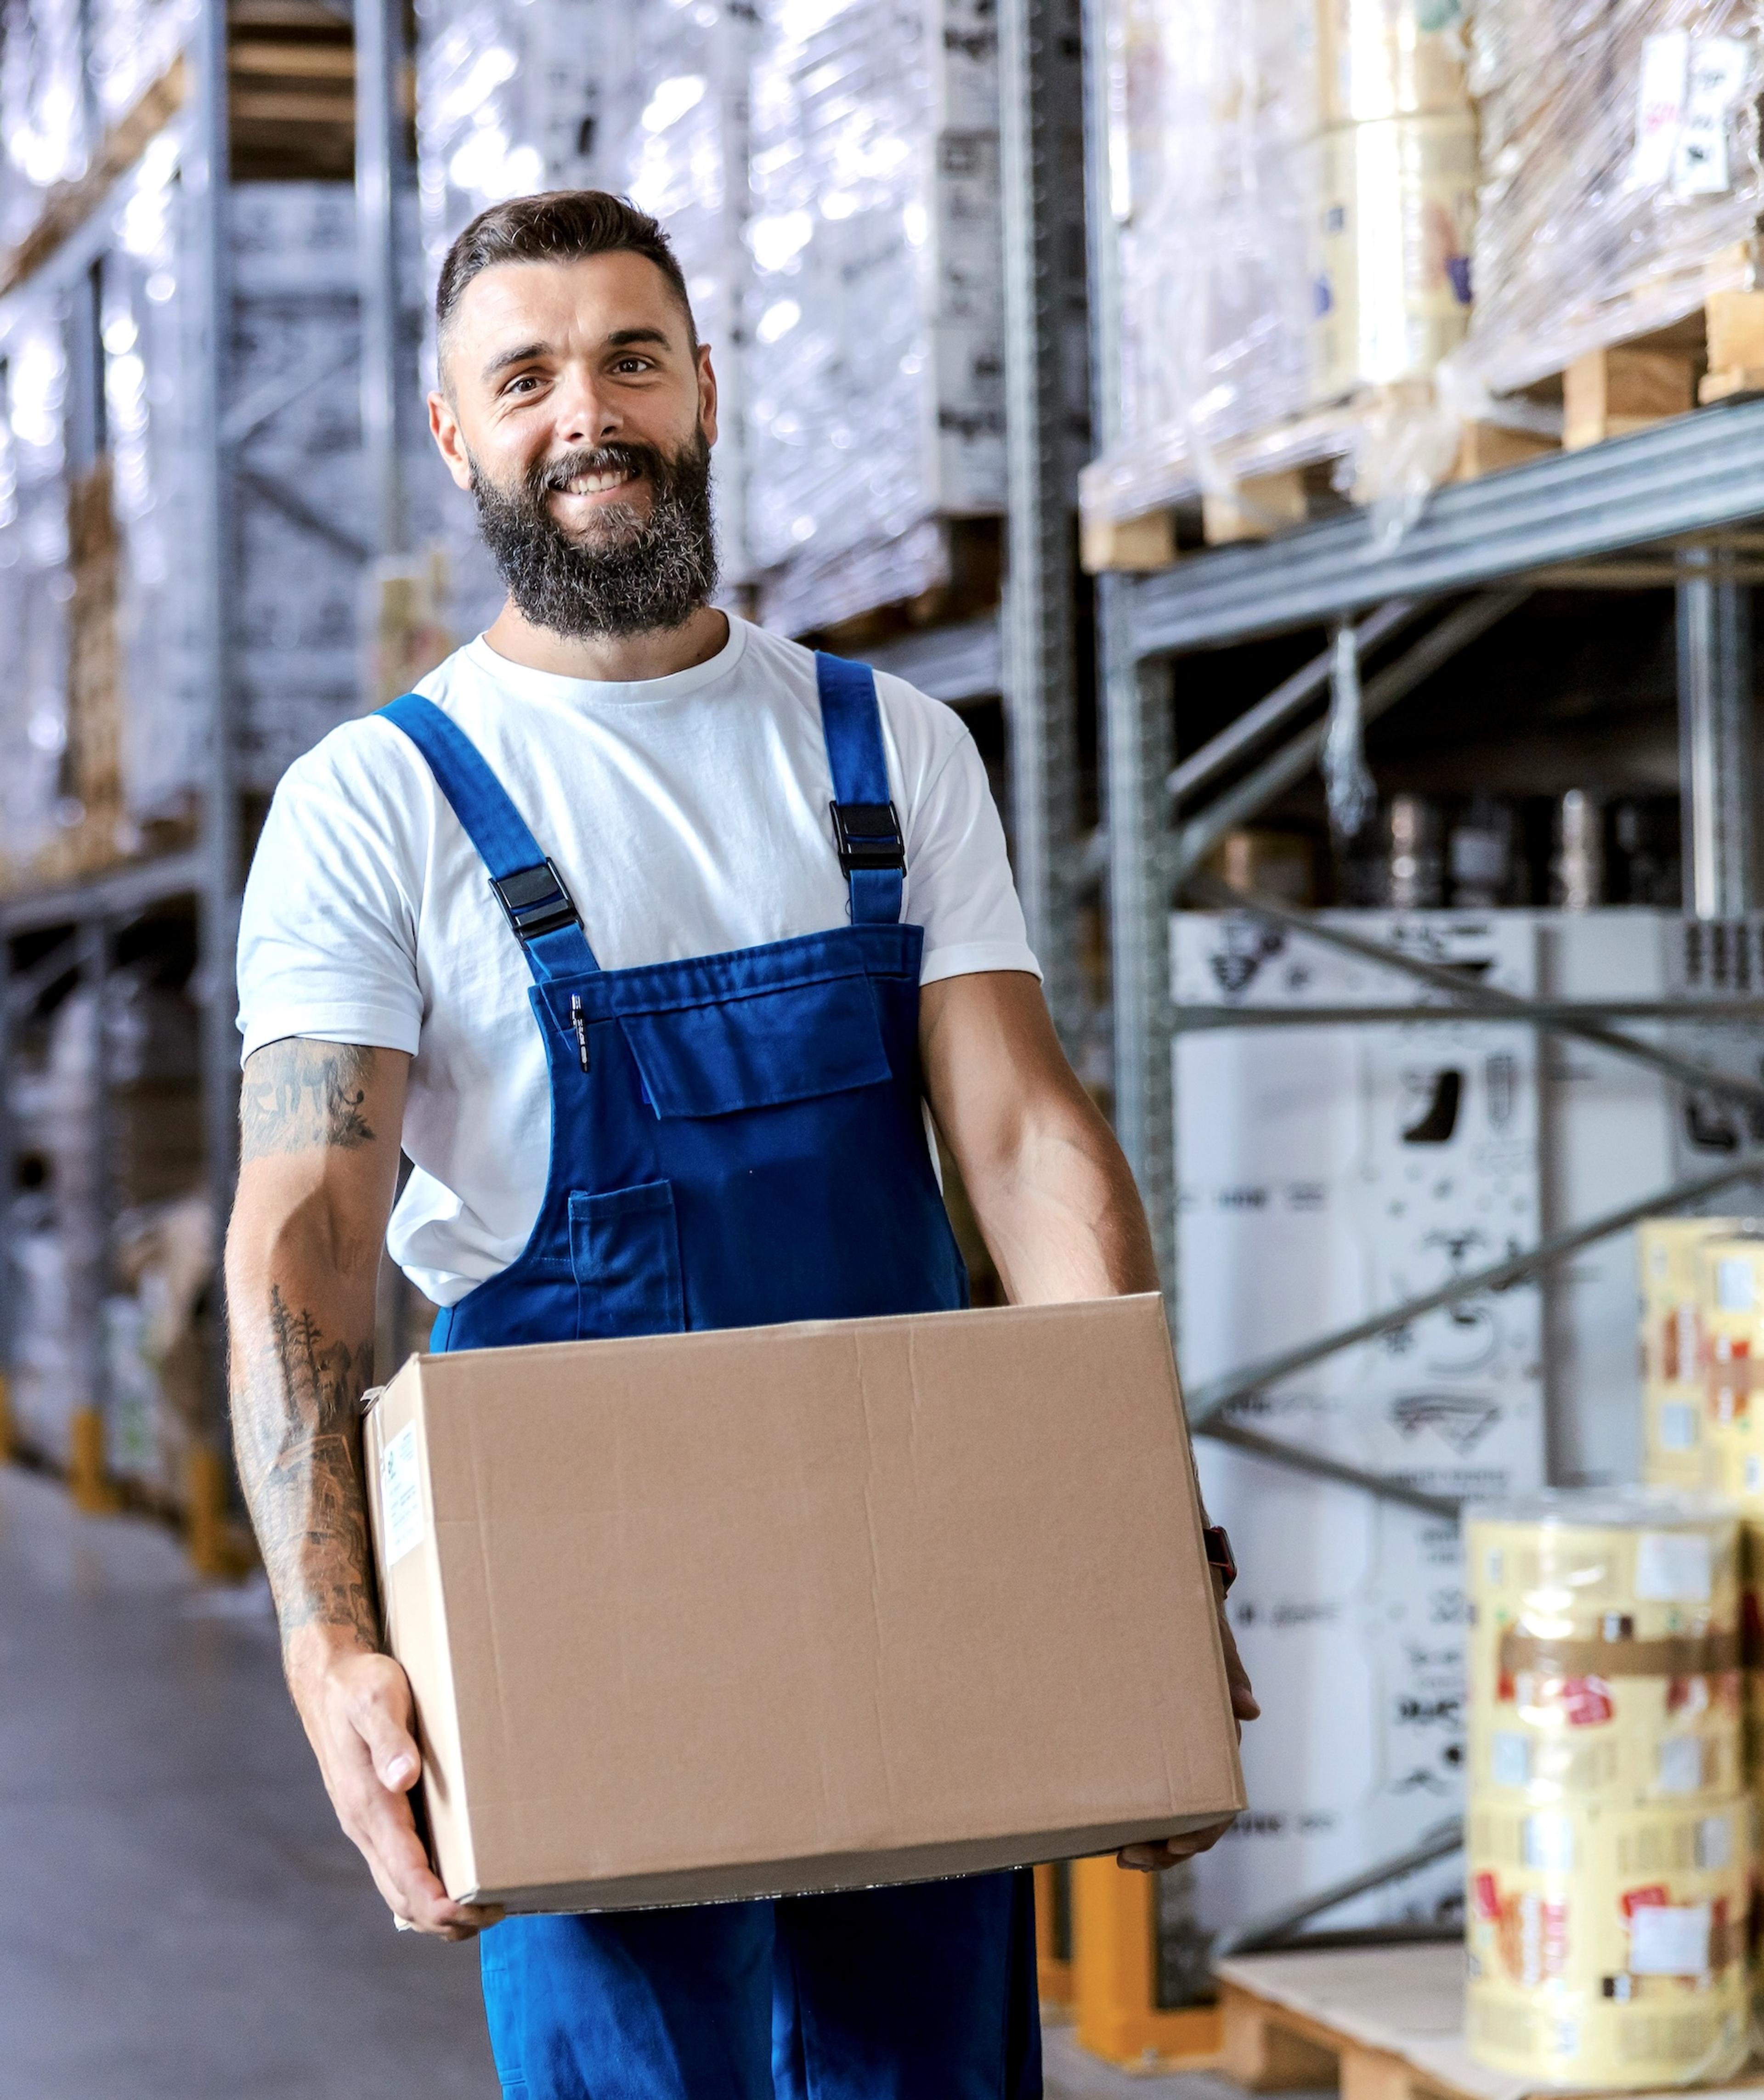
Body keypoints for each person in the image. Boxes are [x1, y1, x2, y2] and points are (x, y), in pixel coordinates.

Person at [227, 189, 1257, 2100]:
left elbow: (1028, 1144)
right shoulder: (381, 804)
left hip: (912, 1574)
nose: (586, 414)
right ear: (457, 437)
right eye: (522, 377)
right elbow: (305, 1229)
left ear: (706, 387)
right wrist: (330, 1642)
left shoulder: (891, 747)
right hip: (573, 1624)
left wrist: (1137, 1557)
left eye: (631, 357)